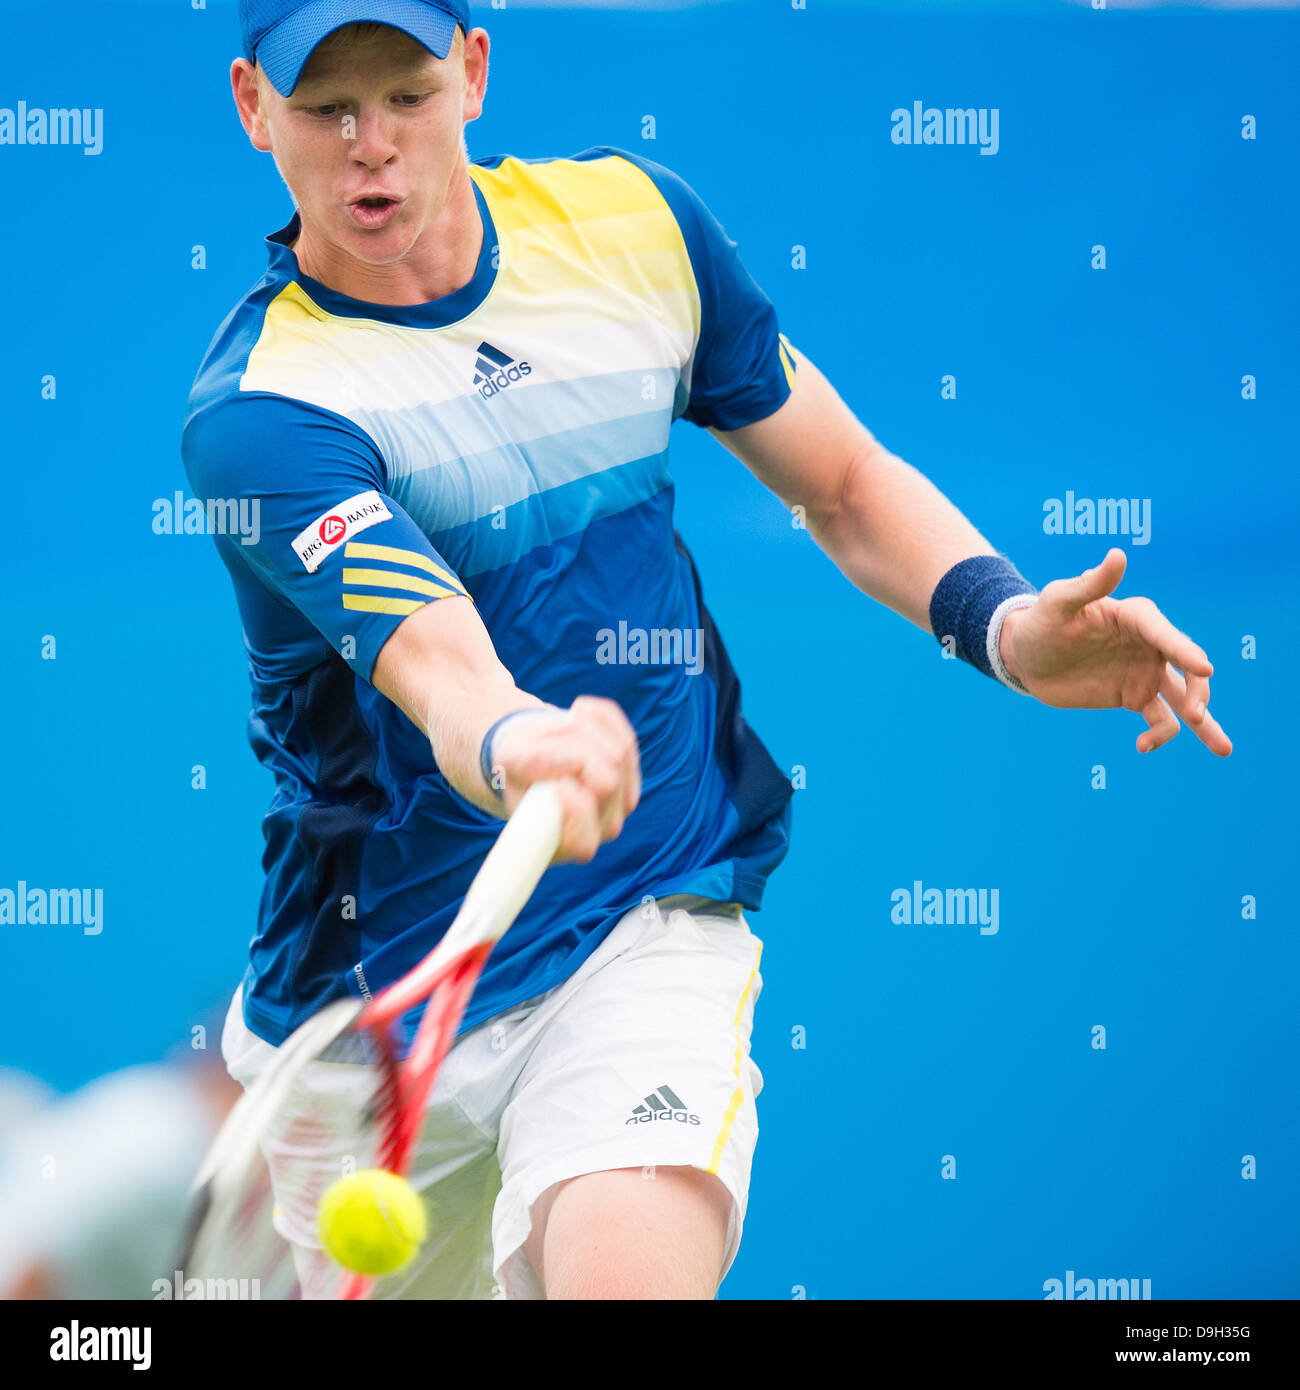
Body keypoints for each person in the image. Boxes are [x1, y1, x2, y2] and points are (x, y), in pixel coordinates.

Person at [182, 0, 1232, 1301]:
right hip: (367, 1010)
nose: (369, 147)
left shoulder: (637, 229)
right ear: (250, 107)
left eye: (402, 91)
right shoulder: (265, 414)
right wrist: (522, 741)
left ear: (474, 69)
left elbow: (843, 484)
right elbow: (438, 661)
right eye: (323, 106)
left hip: (645, 905)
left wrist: (1009, 628)